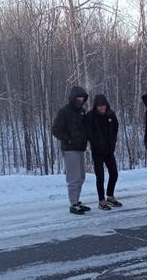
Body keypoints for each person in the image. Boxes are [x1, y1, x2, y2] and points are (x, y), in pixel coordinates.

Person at [51, 86, 91, 215]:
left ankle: (77, 200)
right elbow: (55, 130)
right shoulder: (64, 112)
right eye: (78, 98)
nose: (80, 100)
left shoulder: (82, 112)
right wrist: (67, 139)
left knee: (81, 177)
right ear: (73, 98)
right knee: (74, 177)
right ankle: (73, 203)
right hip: (70, 149)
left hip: (80, 148)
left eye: (82, 98)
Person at [86, 94, 122, 210]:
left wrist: (113, 141)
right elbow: (88, 133)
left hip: (109, 150)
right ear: (95, 106)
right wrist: (95, 143)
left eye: (103, 106)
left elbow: (116, 127)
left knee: (114, 173)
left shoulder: (111, 115)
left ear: (106, 105)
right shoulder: (90, 116)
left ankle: (110, 196)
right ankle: (101, 201)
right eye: (99, 106)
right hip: (97, 151)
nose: (102, 108)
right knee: (100, 176)